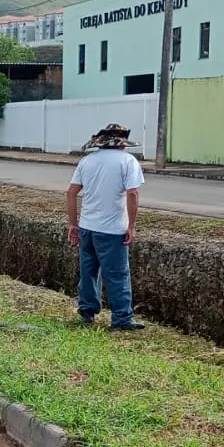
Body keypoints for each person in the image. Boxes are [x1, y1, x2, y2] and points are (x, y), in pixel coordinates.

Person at [66, 123, 146, 331]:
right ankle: (121, 319)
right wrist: (131, 225)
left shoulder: (87, 161)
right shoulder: (128, 161)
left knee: (89, 271)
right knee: (118, 274)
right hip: (112, 229)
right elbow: (132, 194)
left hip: (87, 227)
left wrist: (73, 224)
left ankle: (87, 312)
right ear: (122, 143)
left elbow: (71, 193)